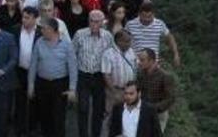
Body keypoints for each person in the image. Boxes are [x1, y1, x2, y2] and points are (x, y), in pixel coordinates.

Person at [28, 17, 78, 137]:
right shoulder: (39, 42)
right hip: (42, 84)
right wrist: (31, 85)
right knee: (44, 116)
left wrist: (72, 89)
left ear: (52, 29)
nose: (41, 31)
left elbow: (72, 67)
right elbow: (33, 65)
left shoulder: (66, 44)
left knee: (58, 117)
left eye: (44, 29)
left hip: (59, 85)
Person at [74, 9, 114, 137]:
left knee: (98, 109)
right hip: (83, 75)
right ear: (88, 21)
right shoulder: (79, 34)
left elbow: (112, 56)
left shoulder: (108, 36)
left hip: (99, 76)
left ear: (102, 22)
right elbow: (72, 54)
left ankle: (96, 134)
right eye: (92, 21)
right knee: (83, 108)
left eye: (97, 21)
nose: (94, 24)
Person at [11, 6, 41, 137]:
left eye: (27, 18)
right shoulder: (15, 30)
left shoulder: (40, 32)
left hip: (36, 73)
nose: (24, 20)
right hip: (20, 71)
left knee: (35, 101)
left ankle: (33, 129)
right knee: (19, 102)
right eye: (23, 17)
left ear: (35, 19)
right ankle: (19, 129)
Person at [102, 30, 137, 134]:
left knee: (127, 118)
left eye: (130, 41)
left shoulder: (131, 52)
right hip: (114, 91)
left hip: (129, 91)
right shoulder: (108, 54)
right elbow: (106, 74)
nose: (129, 43)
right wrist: (114, 92)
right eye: (126, 41)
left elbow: (135, 68)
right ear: (118, 41)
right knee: (109, 117)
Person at [125, 3, 181, 67]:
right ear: (139, 14)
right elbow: (123, 39)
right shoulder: (130, 24)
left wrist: (176, 54)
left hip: (153, 64)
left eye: (149, 16)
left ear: (154, 14)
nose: (146, 19)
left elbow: (170, 37)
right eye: (144, 16)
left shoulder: (159, 24)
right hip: (135, 63)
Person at [135, 48, 176, 133]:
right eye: (139, 59)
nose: (139, 62)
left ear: (151, 61)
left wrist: (154, 107)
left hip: (159, 114)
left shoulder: (165, 76)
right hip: (144, 112)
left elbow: (170, 98)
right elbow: (137, 90)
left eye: (142, 60)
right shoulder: (141, 74)